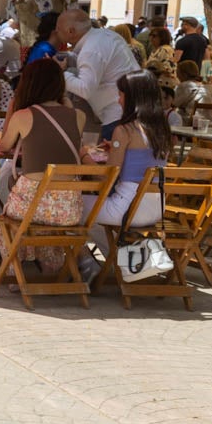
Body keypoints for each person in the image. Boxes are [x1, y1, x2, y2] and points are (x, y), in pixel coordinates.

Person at [0, 58, 86, 272]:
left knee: (4, 218)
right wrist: (65, 101)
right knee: (44, 223)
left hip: (33, 207)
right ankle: (51, 267)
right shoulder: (78, 116)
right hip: (69, 210)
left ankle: (13, 271)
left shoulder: (24, 115)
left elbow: (4, 146)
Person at [82, 72, 171, 277]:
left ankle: (103, 262)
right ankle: (125, 262)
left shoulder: (124, 130)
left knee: (71, 206)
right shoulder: (162, 129)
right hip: (157, 206)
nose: (118, 100)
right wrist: (115, 149)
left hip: (128, 206)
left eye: (121, 94)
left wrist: (84, 155)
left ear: (132, 98)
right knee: (88, 211)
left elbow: (106, 178)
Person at [59, 7, 141, 139]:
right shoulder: (106, 36)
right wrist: (69, 61)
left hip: (117, 114)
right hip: (130, 109)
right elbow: (97, 65)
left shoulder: (91, 50)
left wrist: (61, 73)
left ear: (70, 31)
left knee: (114, 158)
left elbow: (85, 89)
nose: (57, 32)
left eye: (58, 29)